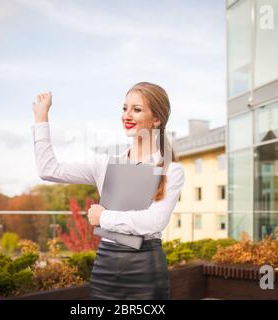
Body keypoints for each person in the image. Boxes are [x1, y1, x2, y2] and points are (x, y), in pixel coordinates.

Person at [31, 82, 185, 300]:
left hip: (146, 271)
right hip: (105, 268)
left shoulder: (172, 169)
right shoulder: (105, 165)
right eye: (125, 108)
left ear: (156, 119)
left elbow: (154, 221)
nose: (127, 115)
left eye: (137, 109)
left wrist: (104, 217)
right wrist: (41, 120)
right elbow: (48, 170)